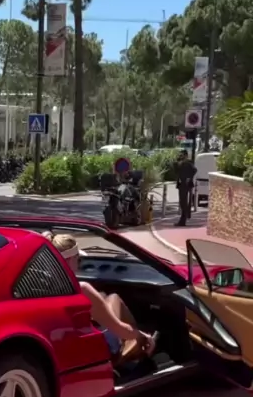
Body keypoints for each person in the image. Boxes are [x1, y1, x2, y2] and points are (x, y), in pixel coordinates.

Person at [42, 232, 156, 362]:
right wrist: (142, 336)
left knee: (103, 296)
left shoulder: (40, 286)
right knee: (114, 298)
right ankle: (139, 349)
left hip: (65, 347)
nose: (79, 263)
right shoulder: (82, 289)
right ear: (69, 260)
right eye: (78, 258)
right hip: (97, 350)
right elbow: (120, 329)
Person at [175, 149, 197, 227]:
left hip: (186, 184)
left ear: (185, 155)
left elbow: (194, 170)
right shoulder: (180, 163)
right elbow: (176, 170)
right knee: (182, 202)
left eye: (182, 155)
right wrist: (179, 163)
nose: (181, 156)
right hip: (181, 184)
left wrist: (189, 178)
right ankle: (183, 218)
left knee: (184, 202)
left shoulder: (188, 163)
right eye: (180, 155)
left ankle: (183, 220)